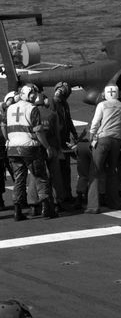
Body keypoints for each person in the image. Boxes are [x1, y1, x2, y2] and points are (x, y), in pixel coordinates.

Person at [3, 84, 54, 221]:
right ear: (27, 95)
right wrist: (47, 146)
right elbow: (38, 130)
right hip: (30, 148)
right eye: (32, 94)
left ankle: (17, 211)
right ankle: (47, 209)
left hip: (13, 148)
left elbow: (3, 125)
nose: (34, 96)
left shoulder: (10, 108)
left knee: (19, 180)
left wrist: (8, 138)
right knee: (40, 176)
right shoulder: (32, 109)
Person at [86, 83, 121, 213]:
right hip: (117, 140)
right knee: (112, 171)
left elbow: (96, 122)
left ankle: (93, 206)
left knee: (95, 171)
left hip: (103, 139)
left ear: (105, 94)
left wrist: (91, 135)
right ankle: (114, 202)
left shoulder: (102, 105)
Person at [27, 92, 64, 216]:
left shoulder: (30, 112)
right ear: (45, 101)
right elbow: (57, 134)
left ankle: (33, 205)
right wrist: (58, 148)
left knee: (34, 175)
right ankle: (57, 202)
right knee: (55, 174)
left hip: (35, 149)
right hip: (51, 147)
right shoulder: (52, 114)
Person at [51, 81, 78, 202]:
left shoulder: (64, 104)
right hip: (57, 140)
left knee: (66, 169)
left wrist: (74, 132)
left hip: (64, 139)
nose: (60, 94)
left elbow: (69, 119)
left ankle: (67, 194)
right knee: (58, 169)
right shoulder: (52, 103)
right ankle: (59, 197)